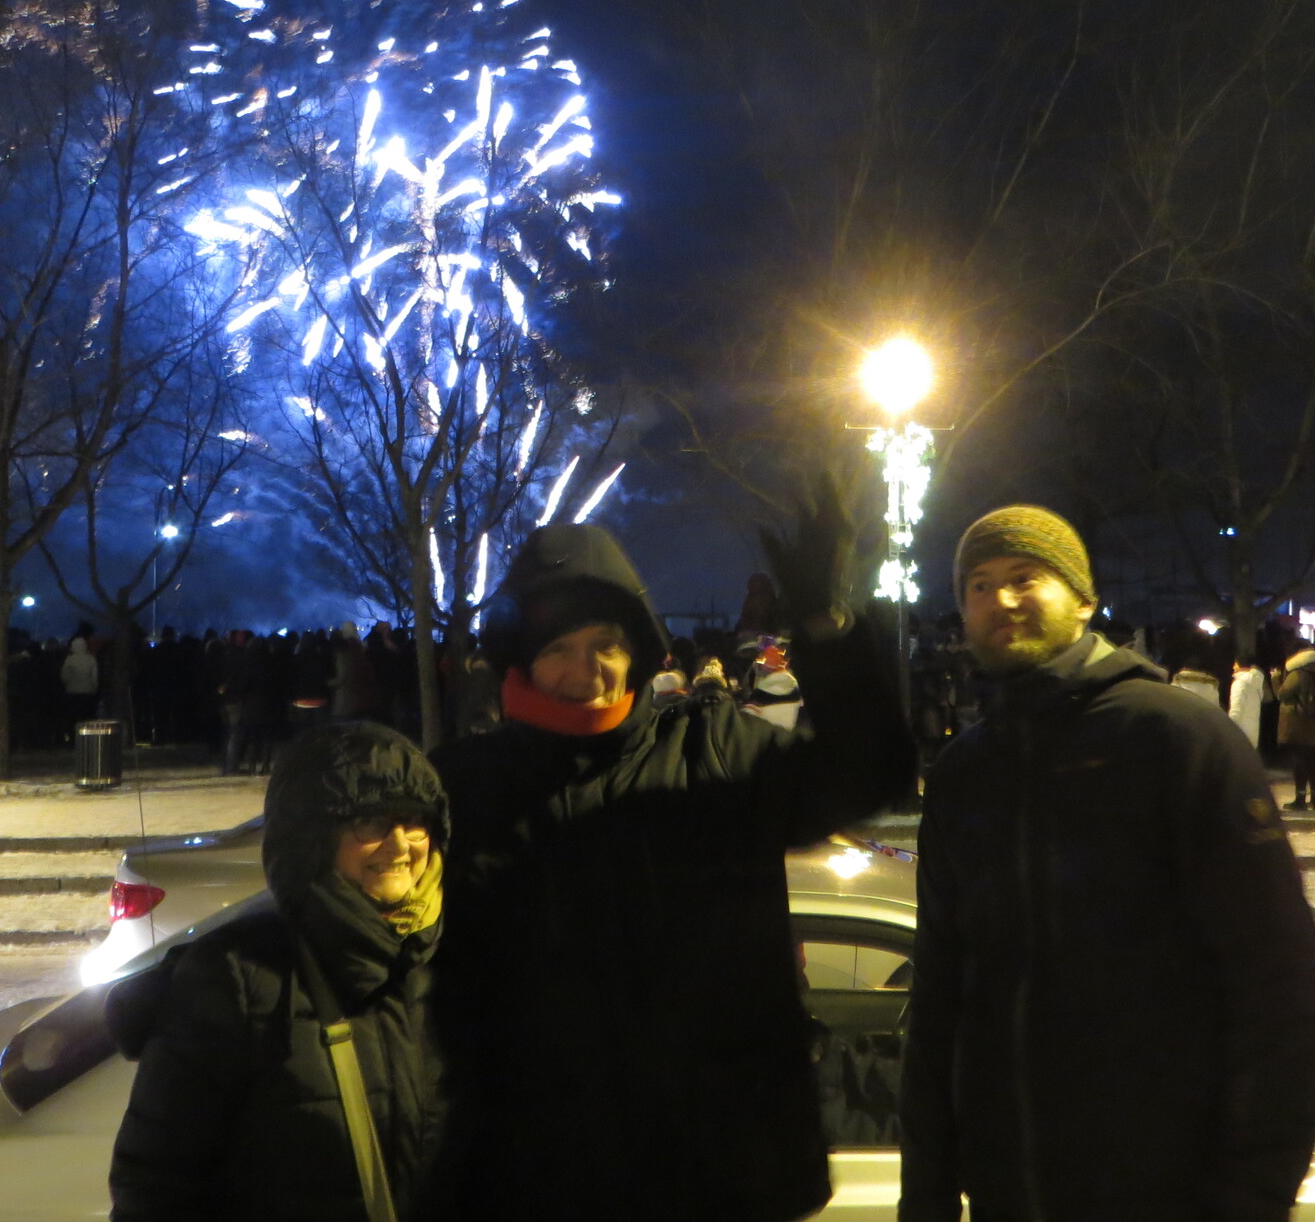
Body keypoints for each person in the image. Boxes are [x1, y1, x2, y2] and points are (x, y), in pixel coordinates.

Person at [431, 496, 914, 1222]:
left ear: (636, 651)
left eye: (605, 644)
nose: (585, 669)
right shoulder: (464, 788)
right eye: (557, 648)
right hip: (541, 1177)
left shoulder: (715, 752)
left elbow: (868, 774)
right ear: (522, 661)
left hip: (715, 1175)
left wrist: (828, 630)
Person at [900, 507, 1315, 1222]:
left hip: (1167, 1194)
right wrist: (927, 1195)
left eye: (1025, 577)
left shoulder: (1175, 737)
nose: (1001, 599)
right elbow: (941, 996)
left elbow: (1274, 981)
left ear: (1082, 599)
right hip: (1011, 1196)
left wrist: (1251, 1197)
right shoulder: (964, 772)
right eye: (979, 584)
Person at [109, 722, 449, 1222]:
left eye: (414, 823)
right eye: (370, 824)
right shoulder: (237, 980)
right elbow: (155, 1191)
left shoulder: (445, 962)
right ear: (313, 839)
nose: (399, 846)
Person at [1275, 642, 1315, 810]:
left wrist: (1275, 679)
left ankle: (1300, 799)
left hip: (1297, 722)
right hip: (1314, 722)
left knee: (1299, 760)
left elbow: (1282, 694)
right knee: (1312, 759)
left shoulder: (1297, 674)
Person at [1227, 655, 1265, 749]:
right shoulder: (1256, 683)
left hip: (1239, 735)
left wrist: (1227, 731)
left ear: (1241, 666)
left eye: (1235, 664)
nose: (1233, 667)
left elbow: (1236, 711)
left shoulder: (1240, 684)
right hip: (1252, 734)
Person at [60, 636, 100, 723]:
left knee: (75, 717)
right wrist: (94, 689)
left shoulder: (69, 660)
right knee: (86, 717)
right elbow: (94, 677)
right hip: (87, 692)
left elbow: (64, 677)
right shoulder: (91, 659)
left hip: (72, 692)